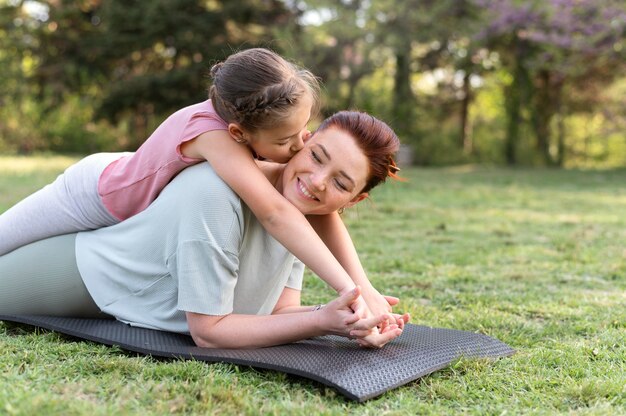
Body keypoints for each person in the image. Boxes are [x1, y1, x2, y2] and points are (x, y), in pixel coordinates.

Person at [0, 48, 396, 322]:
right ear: (241, 134)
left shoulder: (259, 126)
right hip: (93, 196)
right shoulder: (216, 138)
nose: (300, 145)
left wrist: (366, 288)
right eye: (285, 141)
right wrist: (349, 291)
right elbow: (275, 213)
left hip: (138, 205)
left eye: (304, 130)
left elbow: (324, 215)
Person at [0, 111, 409, 349]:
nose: (318, 182)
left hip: (134, 210)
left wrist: (349, 316)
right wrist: (334, 312)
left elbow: (279, 312)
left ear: (353, 199)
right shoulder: (216, 191)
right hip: (89, 259)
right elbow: (209, 333)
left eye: (340, 183)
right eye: (317, 157)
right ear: (302, 140)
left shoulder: (304, 217)